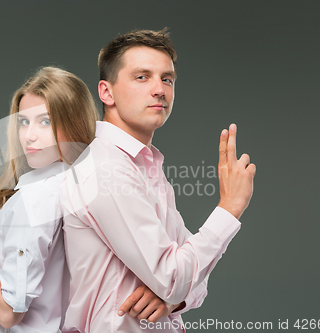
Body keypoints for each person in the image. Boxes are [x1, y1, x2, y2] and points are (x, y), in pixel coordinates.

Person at [0, 66, 175, 332]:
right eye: (23, 121)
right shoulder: (77, 184)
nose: (29, 135)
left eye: (45, 121)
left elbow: (9, 312)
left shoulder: (37, 197)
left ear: (73, 122)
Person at [60, 29, 256, 332]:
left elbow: (191, 270)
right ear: (106, 92)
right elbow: (174, 276)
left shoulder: (144, 165)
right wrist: (229, 207)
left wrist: (173, 301)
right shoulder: (105, 169)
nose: (159, 90)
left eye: (167, 79)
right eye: (142, 77)